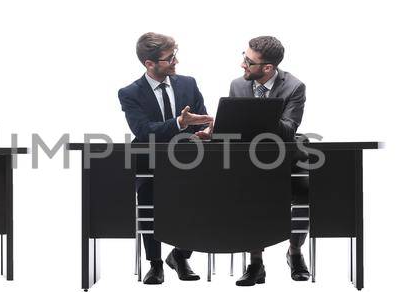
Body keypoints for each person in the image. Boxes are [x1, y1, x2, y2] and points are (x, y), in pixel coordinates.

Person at [116, 32, 212, 285]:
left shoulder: (188, 84)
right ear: (150, 63)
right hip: (151, 164)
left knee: (206, 198)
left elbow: (200, 117)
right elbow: (144, 131)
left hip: (189, 162)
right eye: (170, 58)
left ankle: (180, 256)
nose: (176, 62)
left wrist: (204, 131)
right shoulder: (130, 93)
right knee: (148, 203)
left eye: (175, 56)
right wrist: (180, 123)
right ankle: (155, 264)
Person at [218, 35, 311, 286]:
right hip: (249, 162)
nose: (242, 65)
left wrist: (259, 113)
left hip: (284, 160)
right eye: (244, 56)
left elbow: (289, 129)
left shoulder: (294, 87)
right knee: (247, 193)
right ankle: (256, 263)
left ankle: (295, 252)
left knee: (305, 193)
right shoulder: (237, 85)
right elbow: (233, 130)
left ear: (268, 68)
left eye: (249, 61)